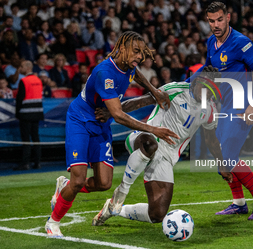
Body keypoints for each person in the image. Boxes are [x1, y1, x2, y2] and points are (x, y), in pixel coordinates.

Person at [45, 31, 179, 237]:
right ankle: (53, 222)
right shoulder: (104, 73)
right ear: (122, 48)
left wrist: (155, 90)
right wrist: (154, 130)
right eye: (135, 52)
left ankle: (65, 186)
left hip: (100, 124)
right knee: (79, 179)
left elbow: (138, 76)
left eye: (141, 54)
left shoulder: (129, 67)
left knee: (104, 184)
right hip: (80, 121)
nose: (139, 58)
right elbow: (118, 115)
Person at [92, 66, 234, 226]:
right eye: (206, 88)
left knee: (157, 214)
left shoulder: (209, 110)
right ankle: (121, 193)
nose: (208, 94)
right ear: (197, 82)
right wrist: (111, 112)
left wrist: (222, 164)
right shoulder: (175, 90)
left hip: (167, 157)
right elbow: (141, 102)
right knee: (151, 145)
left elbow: (212, 140)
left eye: (212, 92)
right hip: (145, 138)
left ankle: (114, 209)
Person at [185, 1, 253, 219]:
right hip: (223, 106)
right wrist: (185, 84)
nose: (216, 24)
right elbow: (207, 69)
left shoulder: (241, 42)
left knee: (229, 157)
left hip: (241, 105)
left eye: (219, 19)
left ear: (228, 17)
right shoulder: (211, 42)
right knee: (221, 157)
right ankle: (239, 202)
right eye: (212, 21)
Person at [14, 60, 44, 170]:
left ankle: (25, 163)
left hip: (26, 114)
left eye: (21, 66)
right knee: (36, 137)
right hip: (37, 113)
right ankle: (37, 162)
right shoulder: (38, 80)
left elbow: (19, 99)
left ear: (27, 68)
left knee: (26, 139)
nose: (20, 68)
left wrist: (17, 114)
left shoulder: (24, 80)